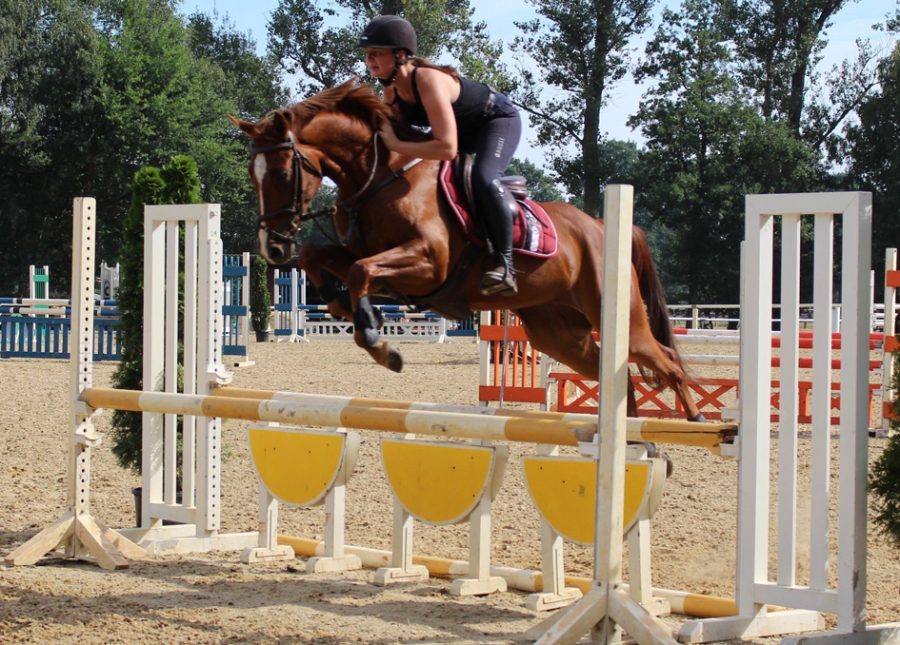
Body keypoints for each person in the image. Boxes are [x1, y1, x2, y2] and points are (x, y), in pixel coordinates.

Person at [358, 15, 522, 296]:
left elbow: (445, 148)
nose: (369, 59)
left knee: (484, 178)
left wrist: (396, 144)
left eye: (377, 52)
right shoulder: (390, 88)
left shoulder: (428, 80)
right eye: (367, 53)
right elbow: (396, 136)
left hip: (495, 121)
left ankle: (505, 265)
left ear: (400, 55)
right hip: (459, 132)